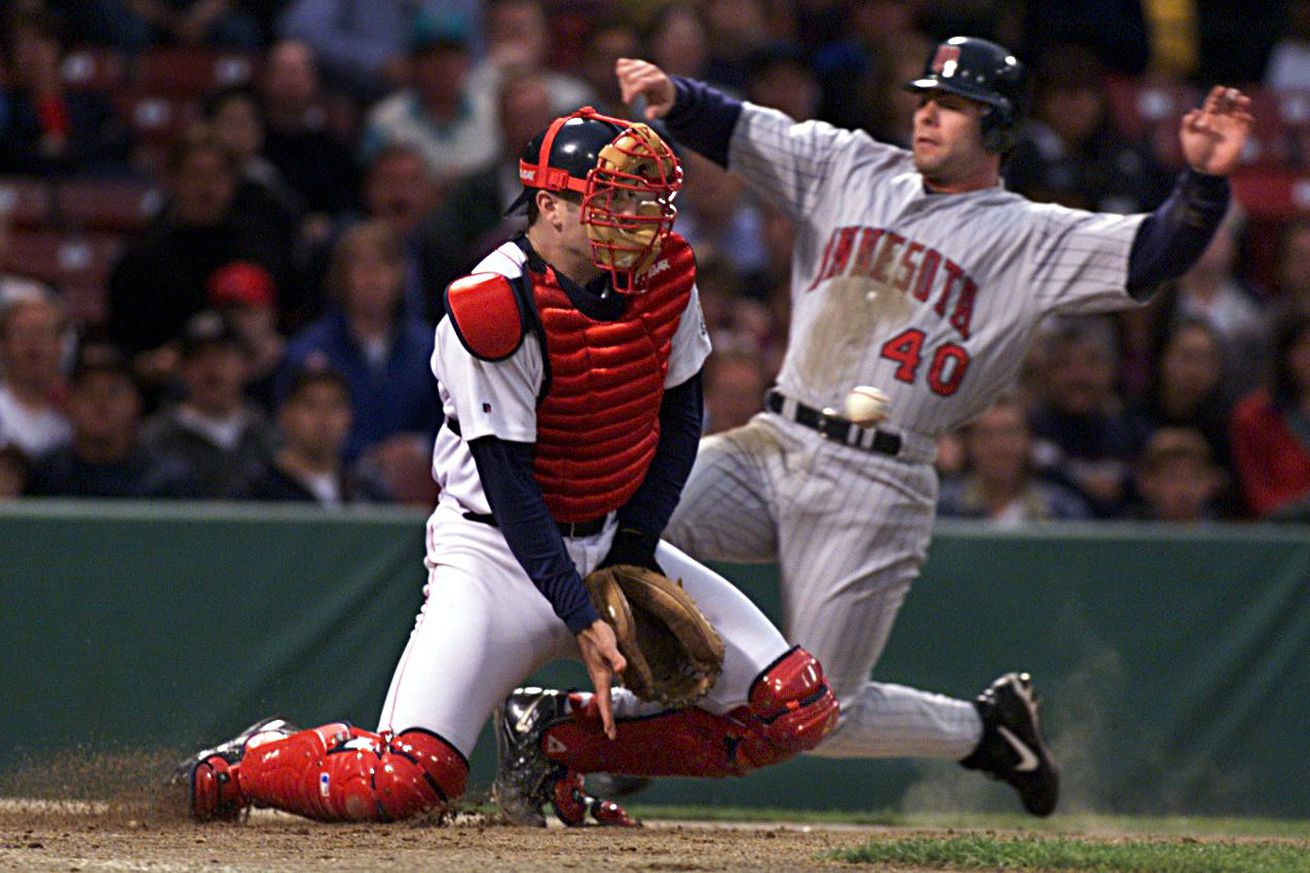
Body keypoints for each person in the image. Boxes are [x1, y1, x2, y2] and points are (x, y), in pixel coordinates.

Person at [617, 35, 1251, 816]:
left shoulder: (1028, 234)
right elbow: (738, 128)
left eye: (952, 105)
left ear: (997, 127)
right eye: (925, 98)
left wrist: (1205, 180)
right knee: (623, 518)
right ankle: (647, 713)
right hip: (771, 442)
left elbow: (1154, 252)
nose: (927, 113)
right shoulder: (850, 166)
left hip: (876, 479)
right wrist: (673, 94)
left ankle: (986, 729)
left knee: (820, 715)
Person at [175, 108, 838, 828]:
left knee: (791, 710)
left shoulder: (662, 274)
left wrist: (634, 552)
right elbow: (509, 479)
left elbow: (680, 419)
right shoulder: (494, 304)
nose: (636, 217)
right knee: (405, 782)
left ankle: (548, 742)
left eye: (641, 198)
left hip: (610, 536)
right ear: (548, 206)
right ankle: (254, 760)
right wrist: (581, 613)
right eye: (609, 198)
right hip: (497, 553)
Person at [238, 365, 390, 504]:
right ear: (285, 415)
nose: (324, 418)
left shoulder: (366, 489)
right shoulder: (258, 492)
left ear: (349, 416)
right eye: (310, 405)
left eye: (335, 405)